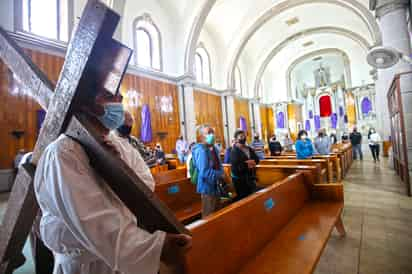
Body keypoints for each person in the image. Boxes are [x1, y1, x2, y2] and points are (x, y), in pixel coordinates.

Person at [34, 87, 191, 274]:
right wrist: (153, 247)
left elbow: (146, 183)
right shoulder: (63, 151)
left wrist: (118, 169)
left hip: (122, 253)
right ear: (87, 105)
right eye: (109, 96)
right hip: (84, 263)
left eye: (120, 97)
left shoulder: (122, 146)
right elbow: (90, 219)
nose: (118, 101)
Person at [192, 126, 224, 217]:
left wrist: (221, 172)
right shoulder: (201, 150)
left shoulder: (214, 148)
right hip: (207, 187)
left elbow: (219, 164)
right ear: (202, 136)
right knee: (209, 215)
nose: (212, 135)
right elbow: (204, 172)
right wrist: (220, 174)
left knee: (217, 213)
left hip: (216, 185)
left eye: (212, 132)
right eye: (209, 133)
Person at [230, 129, 260, 200]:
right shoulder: (234, 151)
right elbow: (235, 168)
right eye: (241, 136)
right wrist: (247, 165)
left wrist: (252, 162)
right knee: (243, 199)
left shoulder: (249, 148)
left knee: (252, 198)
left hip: (250, 178)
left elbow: (257, 159)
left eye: (244, 136)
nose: (243, 138)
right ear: (236, 139)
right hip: (240, 181)